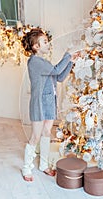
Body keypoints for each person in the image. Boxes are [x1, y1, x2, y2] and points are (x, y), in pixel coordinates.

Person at [21, 28, 76, 182]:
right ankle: (27, 168)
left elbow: (59, 77)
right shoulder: (35, 62)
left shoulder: (44, 61)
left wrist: (71, 62)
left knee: (46, 133)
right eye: (45, 42)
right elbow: (56, 69)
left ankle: (43, 165)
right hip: (39, 104)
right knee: (35, 136)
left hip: (49, 103)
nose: (48, 44)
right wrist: (68, 55)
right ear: (35, 46)